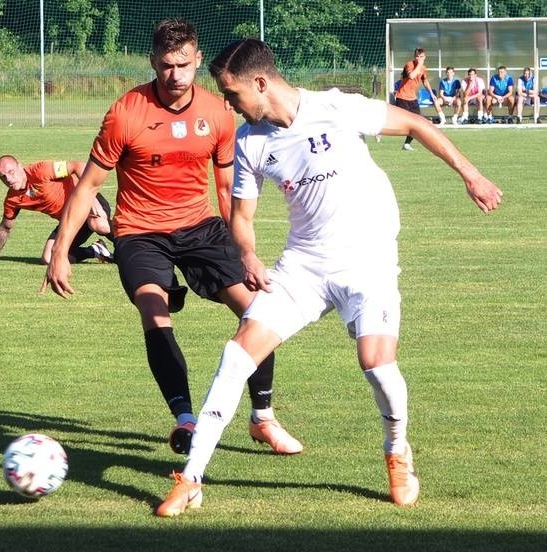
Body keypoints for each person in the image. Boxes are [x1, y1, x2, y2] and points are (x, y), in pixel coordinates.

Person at [156, 38, 503, 517]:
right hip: (304, 266)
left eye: (233, 94)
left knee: (377, 365)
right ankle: (191, 478)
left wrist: (472, 175)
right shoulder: (250, 140)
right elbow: (242, 216)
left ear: (260, 83)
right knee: (237, 355)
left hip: (367, 261)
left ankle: (398, 451)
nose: (230, 104)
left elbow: (416, 123)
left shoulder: (336, 108)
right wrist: (250, 255)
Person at [44, 19, 302, 457]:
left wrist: (246, 253)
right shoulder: (126, 112)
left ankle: (262, 417)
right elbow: (86, 186)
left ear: (198, 60)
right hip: (140, 231)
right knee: (153, 308)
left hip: (200, 227)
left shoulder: (218, 112)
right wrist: (61, 253)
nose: (176, 74)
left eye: (184, 64)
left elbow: (226, 191)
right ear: (153, 62)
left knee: (258, 310)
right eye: (166, 65)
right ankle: (185, 419)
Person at [0, 156, 113, 265]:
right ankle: (95, 251)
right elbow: (5, 227)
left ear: (20, 166)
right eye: (3, 177)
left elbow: (77, 165)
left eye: (11, 172)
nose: (9, 179)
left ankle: (131, 244)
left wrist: (91, 197)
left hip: (88, 204)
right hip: (70, 221)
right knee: (49, 258)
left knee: (99, 225)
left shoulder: (41, 170)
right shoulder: (13, 200)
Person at [393, 47, 443, 150]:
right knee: (398, 122)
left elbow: (424, 81)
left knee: (418, 122)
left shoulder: (423, 68)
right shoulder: (409, 64)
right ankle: (379, 131)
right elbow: (411, 76)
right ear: (414, 57)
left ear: (425, 57)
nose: (419, 58)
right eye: (417, 56)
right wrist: (419, 64)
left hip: (412, 98)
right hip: (402, 97)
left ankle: (406, 144)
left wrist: (431, 93)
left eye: (421, 57)